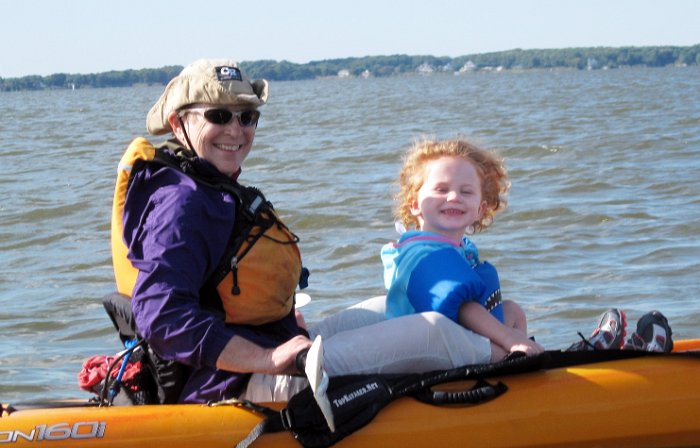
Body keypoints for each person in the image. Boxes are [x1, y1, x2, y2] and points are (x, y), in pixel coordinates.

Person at [112, 59, 508, 405]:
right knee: (432, 334)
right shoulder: (180, 204)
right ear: (177, 122)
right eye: (218, 115)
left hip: (273, 346)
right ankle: (519, 358)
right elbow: (162, 318)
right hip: (235, 381)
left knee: (390, 307)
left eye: (247, 116)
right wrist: (265, 360)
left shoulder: (208, 185)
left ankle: (493, 343)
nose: (235, 129)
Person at [381, 138, 545, 361]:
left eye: (466, 192)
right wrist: (511, 340)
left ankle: (517, 375)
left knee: (513, 312)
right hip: (424, 350)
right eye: (441, 189)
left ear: (480, 209)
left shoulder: (460, 249)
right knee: (504, 347)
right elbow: (462, 307)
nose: (454, 197)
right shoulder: (420, 252)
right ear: (415, 204)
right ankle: (518, 360)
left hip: (456, 338)